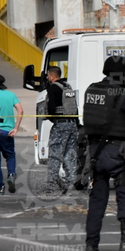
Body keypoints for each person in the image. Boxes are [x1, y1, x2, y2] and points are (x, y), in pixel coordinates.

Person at [84, 56, 125, 251]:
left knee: (97, 200)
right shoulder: (124, 96)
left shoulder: (91, 91)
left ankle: (91, 245)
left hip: (95, 154)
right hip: (118, 153)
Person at [45, 66, 79, 194]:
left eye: (48, 76)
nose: (47, 78)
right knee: (70, 155)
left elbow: (51, 109)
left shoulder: (53, 88)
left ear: (52, 76)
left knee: (55, 154)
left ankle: (51, 186)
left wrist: (50, 118)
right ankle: (71, 183)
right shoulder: (68, 87)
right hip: (72, 124)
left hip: (61, 125)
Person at [0, 74, 23, 195]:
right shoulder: (11, 95)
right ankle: (11, 175)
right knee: (10, 156)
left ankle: (0, 187)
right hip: (7, 131)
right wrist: (16, 128)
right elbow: (20, 110)